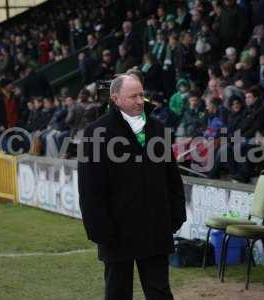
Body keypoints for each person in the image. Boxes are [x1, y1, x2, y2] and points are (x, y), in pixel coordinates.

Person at [78, 74, 186, 300]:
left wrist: (176, 215)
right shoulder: (96, 132)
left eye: (141, 95)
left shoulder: (157, 127)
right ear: (115, 99)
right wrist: (99, 229)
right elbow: (90, 188)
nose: (139, 100)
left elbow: (172, 176)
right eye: (133, 96)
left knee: (160, 292)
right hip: (116, 231)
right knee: (118, 291)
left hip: (155, 227)